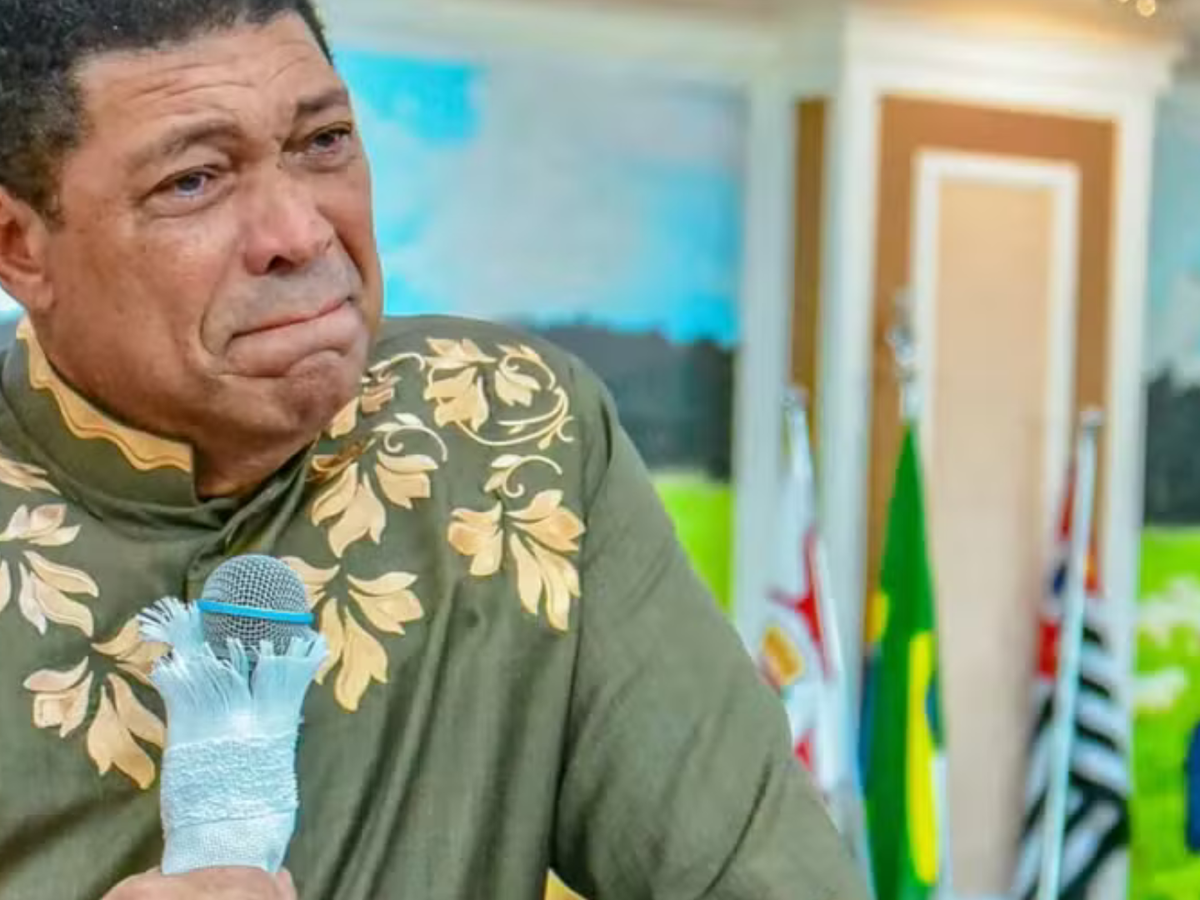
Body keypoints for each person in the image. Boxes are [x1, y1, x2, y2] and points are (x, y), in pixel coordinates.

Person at [0, 2, 869, 898]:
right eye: (194, 182)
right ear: (19, 247)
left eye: (323, 142)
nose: (299, 233)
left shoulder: (512, 431)